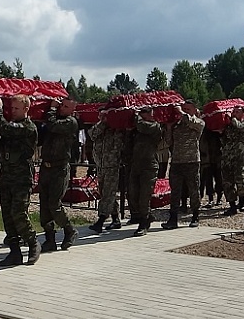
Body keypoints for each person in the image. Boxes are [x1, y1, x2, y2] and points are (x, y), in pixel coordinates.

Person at [0, 95, 41, 266]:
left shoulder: (29, 127)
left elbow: (8, 129)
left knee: (18, 213)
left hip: (21, 178)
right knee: (7, 215)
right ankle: (14, 252)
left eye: (16, 109)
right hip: (6, 176)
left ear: (26, 109)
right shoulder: (9, 126)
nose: (12, 112)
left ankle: (33, 243)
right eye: (11, 108)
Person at [37, 98, 79, 252]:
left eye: (66, 106)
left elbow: (53, 125)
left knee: (54, 204)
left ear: (72, 110)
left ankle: (69, 229)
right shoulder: (51, 120)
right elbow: (40, 138)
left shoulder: (70, 122)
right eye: (61, 104)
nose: (62, 108)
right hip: (45, 167)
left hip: (59, 169)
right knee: (44, 205)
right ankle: (50, 238)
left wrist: (51, 110)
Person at [161, 101, 205, 230]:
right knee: (175, 192)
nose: (184, 111)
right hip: (176, 162)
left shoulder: (198, 122)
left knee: (193, 190)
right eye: (183, 108)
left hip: (191, 161)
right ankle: (173, 219)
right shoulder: (177, 125)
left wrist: (180, 112)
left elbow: (191, 121)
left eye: (187, 109)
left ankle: (195, 216)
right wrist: (169, 128)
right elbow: (168, 142)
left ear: (194, 110)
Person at [88, 110, 125, 233]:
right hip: (100, 165)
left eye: (104, 115)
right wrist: (102, 123)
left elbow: (118, 147)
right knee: (105, 193)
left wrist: (113, 161)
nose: (101, 117)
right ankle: (115, 219)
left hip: (111, 166)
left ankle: (101, 220)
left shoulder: (115, 129)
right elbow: (92, 134)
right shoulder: (99, 128)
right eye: (100, 115)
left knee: (108, 192)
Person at [128, 107, 163, 236]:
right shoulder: (136, 129)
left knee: (144, 196)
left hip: (149, 166)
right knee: (133, 195)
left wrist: (135, 115)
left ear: (150, 114)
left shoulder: (155, 126)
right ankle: (147, 216)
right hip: (136, 165)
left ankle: (143, 223)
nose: (141, 115)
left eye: (143, 113)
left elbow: (142, 126)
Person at [221, 107, 244, 216]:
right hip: (227, 157)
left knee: (240, 180)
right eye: (233, 112)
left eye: (237, 112)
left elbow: (239, 127)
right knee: (227, 182)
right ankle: (232, 206)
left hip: (239, 155)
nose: (234, 113)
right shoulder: (229, 125)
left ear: (243, 113)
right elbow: (224, 139)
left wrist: (232, 118)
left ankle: (242, 202)